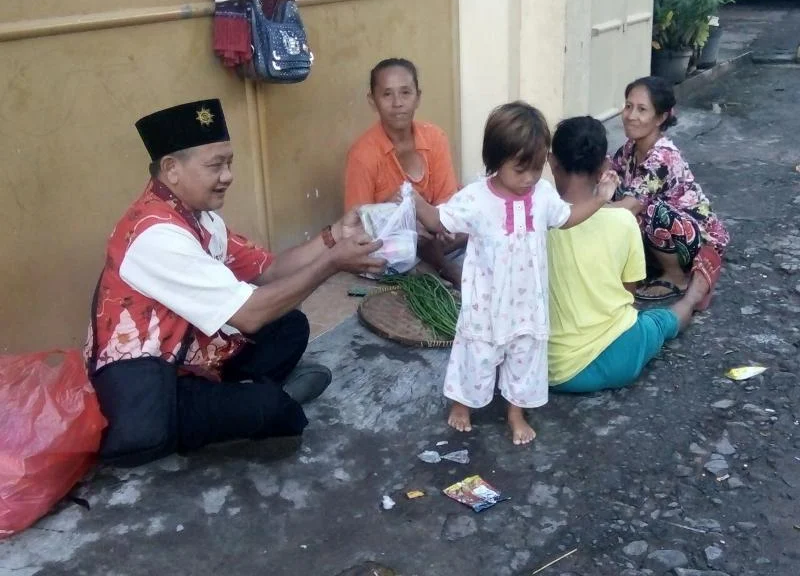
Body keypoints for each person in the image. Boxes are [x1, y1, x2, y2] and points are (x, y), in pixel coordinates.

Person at [86, 99, 385, 467]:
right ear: (171, 169)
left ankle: (237, 399)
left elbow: (269, 270)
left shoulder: (199, 217)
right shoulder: (156, 235)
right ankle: (264, 400)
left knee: (290, 325)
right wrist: (332, 263)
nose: (227, 175)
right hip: (154, 390)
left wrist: (333, 237)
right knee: (275, 412)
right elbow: (250, 315)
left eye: (229, 163)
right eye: (215, 165)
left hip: (194, 358)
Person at [414, 102, 616, 444]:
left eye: (537, 168)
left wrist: (599, 199)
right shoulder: (476, 198)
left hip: (527, 303)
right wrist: (411, 198)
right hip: (486, 304)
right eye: (520, 169)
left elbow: (565, 219)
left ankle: (515, 412)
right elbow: (437, 221)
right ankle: (462, 403)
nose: (529, 179)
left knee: (525, 355)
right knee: (476, 353)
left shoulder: (543, 195)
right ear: (496, 160)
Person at [548, 116, 710, 394]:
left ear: (551, 161)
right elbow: (629, 294)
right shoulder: (623, 222)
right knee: (660, 321)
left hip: (553, 370)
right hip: (620, 357)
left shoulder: (534, 221)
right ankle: (694, 295)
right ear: (604, 167)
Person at [344, 58, 466, 287]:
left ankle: (429, 261)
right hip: (392, 243)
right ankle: (445, 269)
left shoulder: (434, 137)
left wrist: (433, 221)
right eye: (387, 94)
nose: (397, 103)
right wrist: (397, 215)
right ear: (373, 101)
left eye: (405, 93)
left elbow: (448, 202)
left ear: (417, 97)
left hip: (436, 232)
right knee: (411, 240)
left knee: (474, 214)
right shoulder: (362, 154)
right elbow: (357, 228)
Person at [610, 76, 728, 308]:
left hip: (698, 238)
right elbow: (607, 174)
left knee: (648, 209)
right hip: (671, 235)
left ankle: (676, 276)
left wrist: (578, 213)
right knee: (614, 187)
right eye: (628, 106)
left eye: (642, 109)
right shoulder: (631, 148)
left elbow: (630, 207)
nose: (631, 116)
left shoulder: (663, 157)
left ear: (661, 117)